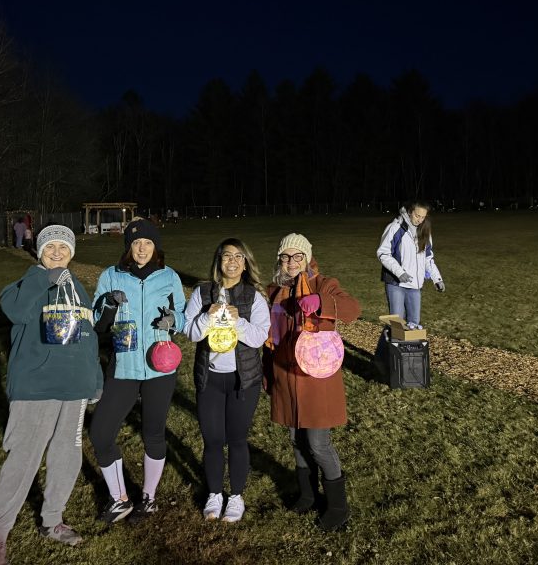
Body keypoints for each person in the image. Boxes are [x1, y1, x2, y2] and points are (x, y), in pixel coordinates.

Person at [0, 225, 103, 564]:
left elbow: (89, 333)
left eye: (62, 247)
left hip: (75, 387)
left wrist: (94, 378)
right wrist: (45, 277)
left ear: (72, 253)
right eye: (49, 246)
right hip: (36, 387)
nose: (56, 251)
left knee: (67, 456)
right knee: (23, 458)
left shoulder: (78, 288)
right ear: (39, 252)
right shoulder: (22, 285)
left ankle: (52, 521)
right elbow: (17, 312)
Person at [90, 218, 187, 525]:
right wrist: (108, 304)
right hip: (124, 365)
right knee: (101, 432)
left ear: (155, 246)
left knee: (153, 433)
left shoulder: (169, 276)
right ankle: (119, 499)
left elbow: (182, 316)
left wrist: (173, 321)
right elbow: (98, 324)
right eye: (136, 244)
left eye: (147, 243)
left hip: (160, 365)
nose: (142, 249)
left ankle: (149, 498)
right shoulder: (111, 275)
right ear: (128, 248)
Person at [264, 233, 360, 531]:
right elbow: (271, 339)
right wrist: (269, 375)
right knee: (295, 439)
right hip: (285, 375)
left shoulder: (323, 284)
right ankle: (308, 494)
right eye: (285, 257)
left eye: (298, 257)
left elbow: (353, 310)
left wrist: (322, 302)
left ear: (307, 258)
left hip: (316, 380)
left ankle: (338, 507)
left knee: (318, 443)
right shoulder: (274, 291)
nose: (291, 263)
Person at [184, 238, 271, 523]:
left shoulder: (252, 296)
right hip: (209, 378)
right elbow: (190, 333)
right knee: (211, 439)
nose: (232, 261)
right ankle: (214, 493)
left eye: (238, 257)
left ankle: (235, 495)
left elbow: (260, 336)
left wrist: (237, 321)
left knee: (236, 439)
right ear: (218, 260)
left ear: (245, 263)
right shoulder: (202, 292)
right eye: (226, 256)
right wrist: (207, 318)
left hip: (241, 380)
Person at [376, 201, 445, 330]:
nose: (420, 220)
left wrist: (437, 279)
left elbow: (428, 258)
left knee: (414, 324)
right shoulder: (395, 227)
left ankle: (407, 349)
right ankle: (386, 349)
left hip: (415, 285)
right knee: (397, 324)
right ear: (409, 212)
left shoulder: (425, 231)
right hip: (396, 283)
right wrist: (400, 272)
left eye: (423, 217)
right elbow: (383, 253)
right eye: (417, 215)